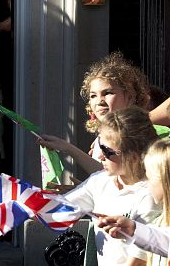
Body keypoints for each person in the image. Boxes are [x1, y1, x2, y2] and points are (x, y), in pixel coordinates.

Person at [60, 107, 160, 266]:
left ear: (133, 157)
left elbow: (138, 260)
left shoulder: (150, 195)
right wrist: (19, 199)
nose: (100, 155)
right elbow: (60, 210)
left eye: (108, 151)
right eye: (100, 145)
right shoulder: (100, 181)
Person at [38, 51, 154, 179]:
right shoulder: (100, 137)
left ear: (130, 97)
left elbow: (114, 179)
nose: (99, 101)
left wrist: (68, 148)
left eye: (108, 93)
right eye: (93, 96)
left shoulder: (140, 133)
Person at [97, 137, 170, 266]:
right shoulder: (161, 221)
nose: (147, 183)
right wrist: (132, 228)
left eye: (150, 176)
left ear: (165, 181)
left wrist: (133, 229)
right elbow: (162, 240)